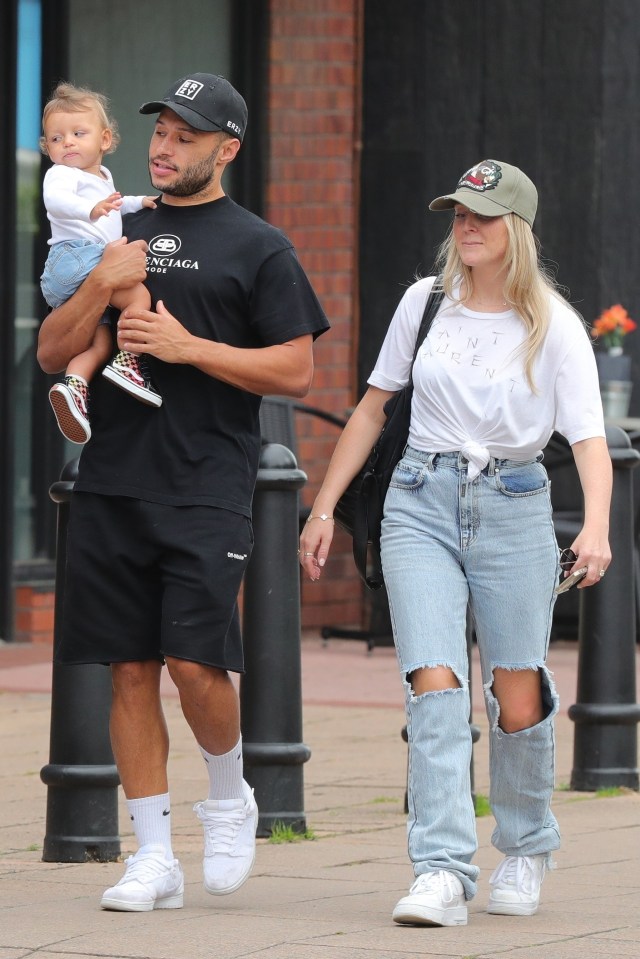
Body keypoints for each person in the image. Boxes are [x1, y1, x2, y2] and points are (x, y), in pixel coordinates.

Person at [37, 72, 329, 912]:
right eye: (160, 131)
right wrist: (101, 280)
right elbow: (55, 353)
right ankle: (154, 853)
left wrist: (185, 344)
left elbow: (295, 367)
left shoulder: (259, 244)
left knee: (196, 663)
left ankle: (231, 793)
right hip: (111, 481)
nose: (165, 146)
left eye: (185, 135)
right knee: (129, 667)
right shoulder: (111, 219)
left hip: (207, 479)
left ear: (226, 149)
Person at [300, 159, 611, 927]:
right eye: (458, 215)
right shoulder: (424, 302)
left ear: (518, 230)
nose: (466, 227)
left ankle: (526, 845)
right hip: (418, 501)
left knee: (517, 693)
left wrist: (598, 525)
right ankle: (440, 867)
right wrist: (322, 506)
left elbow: (592, 441)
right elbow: (373, 409)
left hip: (513, 505)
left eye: (483, 215)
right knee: (433, 686)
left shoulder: (555, 323)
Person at [40, 82, 160, 445]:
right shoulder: (62, 175)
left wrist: (141, 203)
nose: (68, 144)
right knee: (138, 296)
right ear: (47, 149)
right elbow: (55, 202)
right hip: (75, 256)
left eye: (78, 133)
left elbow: (116, 202)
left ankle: (74, 388)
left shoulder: (101, 178)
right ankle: (130, 363)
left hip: (75, 270)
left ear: (105, 140)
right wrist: (89, 210)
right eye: (57, 139)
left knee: (97, 343)